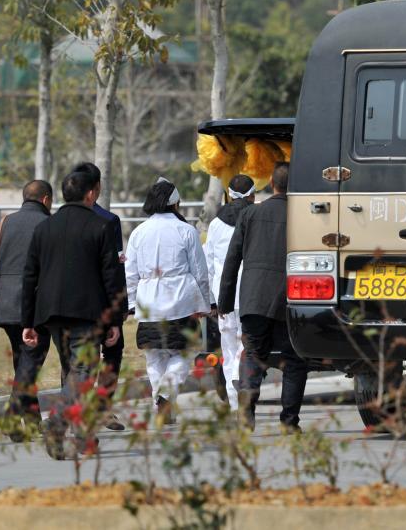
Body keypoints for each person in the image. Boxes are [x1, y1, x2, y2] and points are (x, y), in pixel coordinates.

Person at [20, 172, 127, 460]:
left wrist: (28, 321)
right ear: (91, 194)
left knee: (72, 371)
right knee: (82, 373)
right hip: (86, 313)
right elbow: (111, 277)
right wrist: (114, 320)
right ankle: (57, 421)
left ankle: (83, 437)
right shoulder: (101, 226)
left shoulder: (45, 228)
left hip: (51, 313)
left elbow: (30, 276)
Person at [220, 162, 307, 431]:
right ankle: (289, 421)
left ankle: (246, 408)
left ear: (271, 182)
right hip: (289, 298)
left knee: (254, 354)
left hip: (254, 298)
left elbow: (232, 259)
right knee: (294, 359)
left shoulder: (249, 215)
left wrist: (224, 301)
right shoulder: (303, 216)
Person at [125, 178, 212, 425]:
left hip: (148, 301)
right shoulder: (186, 230)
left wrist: (131, 303)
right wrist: (204, 303)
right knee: (184, 352)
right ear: (175, 204)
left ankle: (161, 405)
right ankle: (164, 395)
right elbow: (200, 271)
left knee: (155, 357)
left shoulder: (138, 232)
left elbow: (130, 273)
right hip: (181, 301)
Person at [0, 180, 52, 440]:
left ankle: (32, 420)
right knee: (32, 359)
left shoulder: (2, 223)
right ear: (45, 200)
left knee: (23, 360)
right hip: (35, 304)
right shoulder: (48, 224)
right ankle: (12, 417)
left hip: (4, 302)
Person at [72, 162, 125, 431]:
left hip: (71, 301)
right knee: (112, 352)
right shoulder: (108, 221)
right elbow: (115, 266)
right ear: (96, 188)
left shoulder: (59, 219)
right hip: (102, 300)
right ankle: (103, 407)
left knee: (73, 358)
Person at [204, 174, 256, 411]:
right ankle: (238, 374)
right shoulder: (256, 219)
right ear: (252, 196)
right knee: (246, 345)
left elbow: (210, 264)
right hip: (250, 295)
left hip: (223, 297)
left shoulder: (215, 224)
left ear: (228, 196)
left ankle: (236, 406)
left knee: (228, 348)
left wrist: (211, 301)